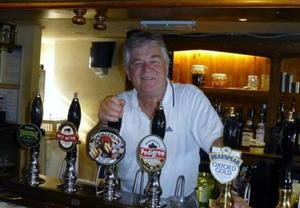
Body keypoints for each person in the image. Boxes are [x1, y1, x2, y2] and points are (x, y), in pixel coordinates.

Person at [98, 30, 250, 208]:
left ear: (166, 66)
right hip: (129, 200)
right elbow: (96, 153)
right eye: (138, 63)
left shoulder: (190, 97)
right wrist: (102, 122)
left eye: (154, 61)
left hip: (179, 202)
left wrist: (229, 192)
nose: (147, 69)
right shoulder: (119, 103)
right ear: (129, 73)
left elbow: (218, 145)